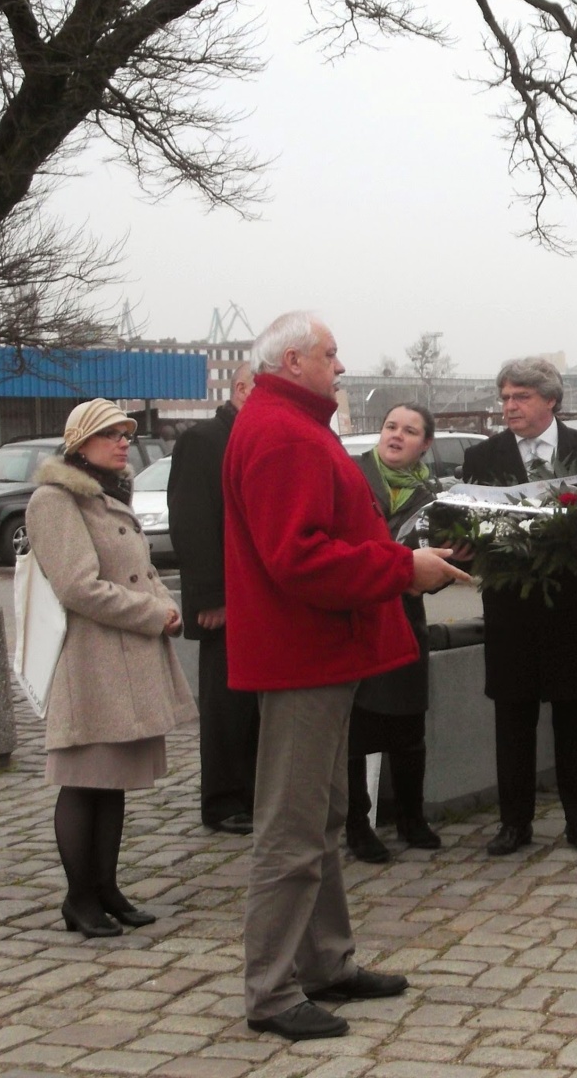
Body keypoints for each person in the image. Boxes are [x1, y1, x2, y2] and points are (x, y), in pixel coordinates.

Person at [225, 312, 466, 1041]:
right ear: (292, 361)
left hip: (320, 652)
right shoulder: (283, 433)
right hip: (304, 655)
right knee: (292, 828)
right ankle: (272, 992)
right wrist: (402, 567)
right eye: (329, 354)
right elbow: (298, 557)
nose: (339, 364)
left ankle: (326, 962)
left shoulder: (294, 424)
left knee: (323, 818)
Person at [27, 399, 198, 937]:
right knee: (84, 780)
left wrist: (166, 605)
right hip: (89, 662)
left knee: (112, 781)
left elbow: (139, 571)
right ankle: (79, 898)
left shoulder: (105, 496)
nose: (124, 442)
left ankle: (105, 888)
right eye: (110, 434)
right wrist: (152, 614)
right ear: (80, 443)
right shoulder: (55, 500)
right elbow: (78, 586)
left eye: (126, 434)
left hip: (121, 657)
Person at [462, 357, 577, 858]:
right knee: (513, 719)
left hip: (574, 606)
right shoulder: (483, 456)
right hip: (511, 609)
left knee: (576, 719)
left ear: (551, 400)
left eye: (520, 397)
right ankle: (514, 823)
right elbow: (471, 524)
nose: (509, 406)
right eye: (505, 397)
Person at [345, 403, 447, 862]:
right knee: (355, 729)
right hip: (357, 616)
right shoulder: (351, 475)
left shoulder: (433, 497)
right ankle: (357, 825)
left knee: (408, 726)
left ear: (425, 444)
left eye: (409, 431)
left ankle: (411, 817)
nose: (396, 436)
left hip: (405, 618)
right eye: (390, 427)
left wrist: (448, 564)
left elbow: (436, 568)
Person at [167, 361, 259, 836]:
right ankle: (222, 801)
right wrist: (210, 597)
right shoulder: (203, 440)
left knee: (254, 706)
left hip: (259, 597)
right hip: (223, 599)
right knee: (226, 705)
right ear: (240, 389)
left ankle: (254, 794)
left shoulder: (256, 437)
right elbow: (191, 522)